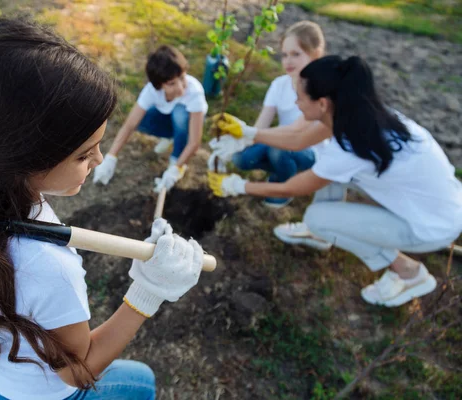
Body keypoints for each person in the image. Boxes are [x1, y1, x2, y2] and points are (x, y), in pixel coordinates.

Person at [0, 18, 204, 399]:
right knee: (142, 384)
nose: (101, 159)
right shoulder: (49, 265)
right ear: (25, 158)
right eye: (85, 154)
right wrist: (148, 291)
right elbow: (79, 371)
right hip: (35, 393)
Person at [209, 55, 462, 307]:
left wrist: (238, 186)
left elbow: (292, 187)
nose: (296, 103)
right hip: (443, 202)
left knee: (316, 217)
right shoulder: (358, 115)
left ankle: (408, 272)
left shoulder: (351, 148)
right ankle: (322, 234)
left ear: (322, 104)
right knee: (326, 163)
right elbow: (298, 140)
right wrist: (249, 133)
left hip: (431, 226)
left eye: (300, 97)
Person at [209, 21, 329, 208]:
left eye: (296, 54)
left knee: (278, 150)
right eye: (285, 55)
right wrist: (238, 142)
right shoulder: (279, 85)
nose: (288, 61)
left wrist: (249, 134)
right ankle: (283, 171)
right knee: (241, 158)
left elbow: (297, 130)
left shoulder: (319, 89)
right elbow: (261, 127)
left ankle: (283, 187)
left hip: (310, 151)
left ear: (316, 54)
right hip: (282, 142)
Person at [93, 45, 208, 193]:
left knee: (180, 115)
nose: (180, 88)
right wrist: (111, 157)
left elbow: (194, 142)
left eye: (182, 78)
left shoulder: (194, 92)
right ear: (159, 85)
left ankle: (177, 155)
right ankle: (169, 136)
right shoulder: (151, 91)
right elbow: (129, 125)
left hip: (189, 124)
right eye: (172, 83)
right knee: (141, 119)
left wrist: (175, 168)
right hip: (168, 119)